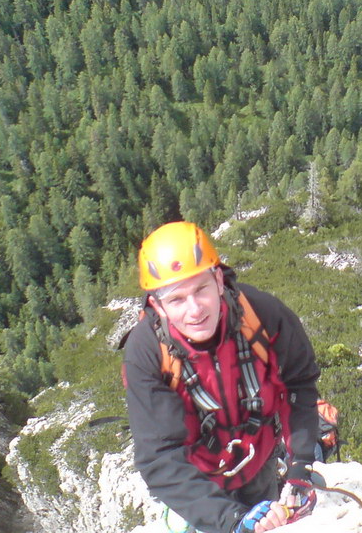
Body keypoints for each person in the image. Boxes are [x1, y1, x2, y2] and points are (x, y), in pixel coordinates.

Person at [122, 221, 322, 533]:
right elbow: (160, 457)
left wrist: (300, 470)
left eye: (201, 288)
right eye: (176, 299)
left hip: (260, 464)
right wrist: (230, 520)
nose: (194, 310)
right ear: (157, 306)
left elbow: (299, 387)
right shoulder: (146, 353)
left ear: (218, 280)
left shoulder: (263, 315)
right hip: (197, 482)